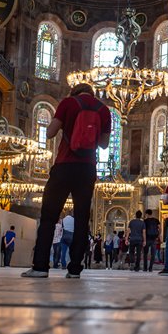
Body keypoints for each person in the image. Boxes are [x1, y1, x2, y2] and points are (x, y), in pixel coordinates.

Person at [22, 83, 112, 279]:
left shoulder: (68, 103)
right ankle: (74, 270)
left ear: (75, 92)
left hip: (64, 165)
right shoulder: (104, 110)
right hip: (87, 168)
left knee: (49, 218)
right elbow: (104, 144)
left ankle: (40, 267)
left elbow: (50, 133)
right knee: (81, 219)